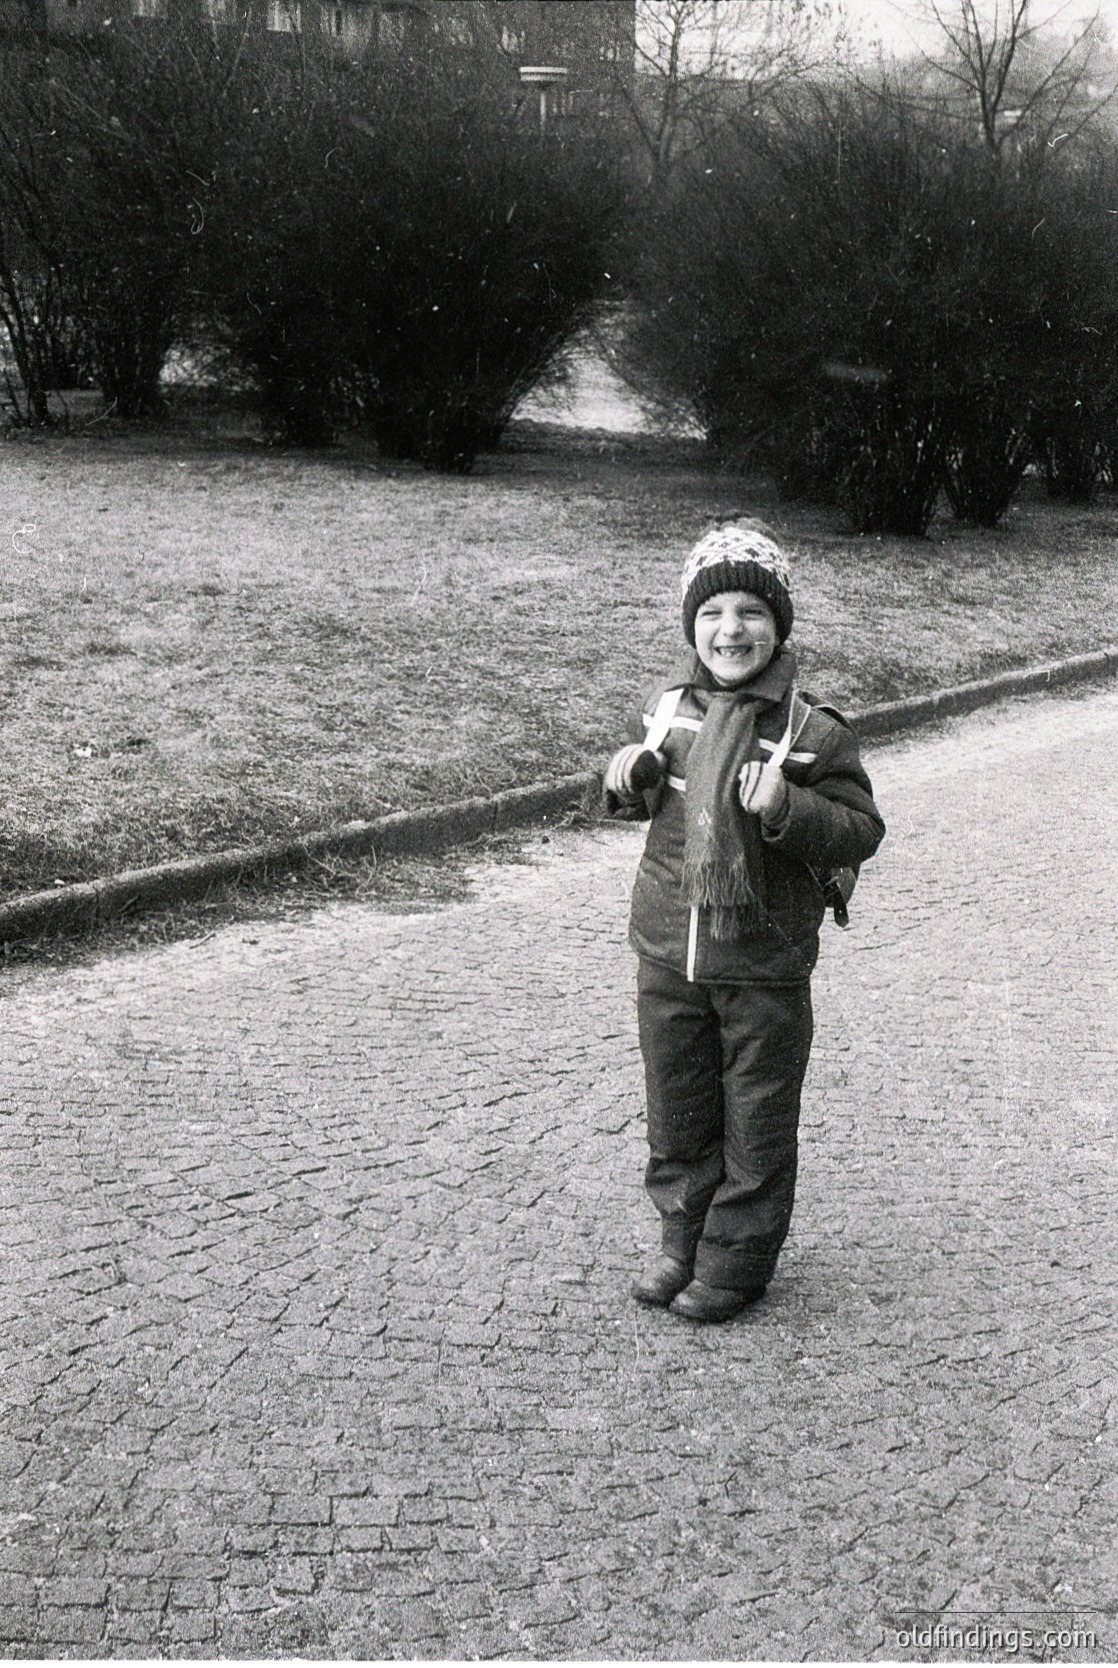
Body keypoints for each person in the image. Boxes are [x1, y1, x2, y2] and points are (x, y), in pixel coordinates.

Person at [603, 518, 885, 1323]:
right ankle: (681, 1243)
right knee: (678, 1109)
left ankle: (736, 1263)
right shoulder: (667, 712)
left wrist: (788, 808)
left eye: (751, 613)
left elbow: (859, 828)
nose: (731, 630)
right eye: (712, 613)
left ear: (779, 625)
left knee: (756, 1123)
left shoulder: (810, 731)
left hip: (763, 962)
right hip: (669, 953)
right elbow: (643, 805)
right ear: (692, 626)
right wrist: (626, 777)